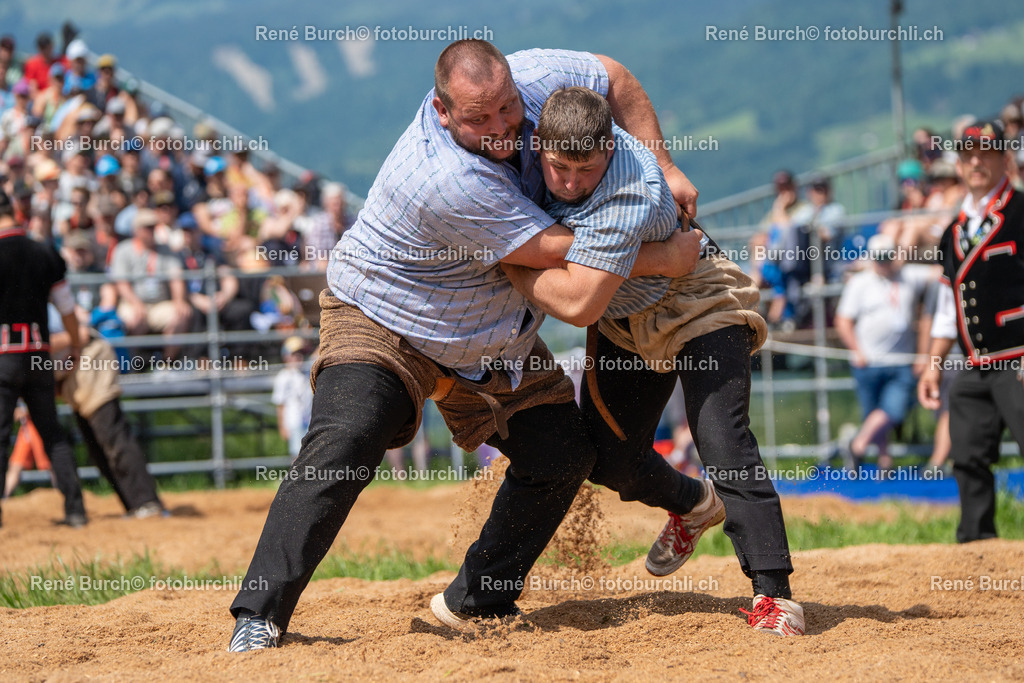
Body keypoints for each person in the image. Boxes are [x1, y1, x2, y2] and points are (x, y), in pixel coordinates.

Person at [227, 40, 701, 651]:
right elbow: (559, 250)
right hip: (385, 316)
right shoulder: (446, 176)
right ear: (442, 111)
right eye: (480, 119)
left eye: (507, 107)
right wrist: (665, 258)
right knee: (349, 435)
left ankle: (481, 598)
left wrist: (663, 167)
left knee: (561, 455)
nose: (504, 127)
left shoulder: (535, 83)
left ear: (512, 82)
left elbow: (613, 74)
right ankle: (260, 614)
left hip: (490, 334)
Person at [503, 86, 803, 636]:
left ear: (611, 153)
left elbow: (576, 301)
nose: (570, 183)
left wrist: (508, 252)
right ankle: (692, 504)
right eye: (558, 167)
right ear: (537, 144)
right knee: (608, 456)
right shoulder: (519, 147)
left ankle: (774, 595)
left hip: (696, 299)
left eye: (585, 169)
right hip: (624, 318)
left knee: (721, 437)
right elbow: (610, 73)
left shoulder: (631, 192)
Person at [917, 120, 1024, 543]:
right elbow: (948, 304)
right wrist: (933, 364)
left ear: (1004, 158)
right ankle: (978, 551)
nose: (975, 161)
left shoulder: (1020, 212)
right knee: (967, 456)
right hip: (974, 364)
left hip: (1018, 358)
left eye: (985, 152)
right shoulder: (953, 231)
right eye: (967, 154)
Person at [0, 189, 87, 527]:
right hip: (39, 356)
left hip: (4, 355)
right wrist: (77, 345)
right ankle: (76, 509)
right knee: (52, 433)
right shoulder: (45, 253)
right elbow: (67, 308)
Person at [49, 307, 167, 518]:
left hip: (90, 364)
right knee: (98, 447)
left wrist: (41, 346)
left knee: (113, 438)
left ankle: (147, 502)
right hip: (75, 375)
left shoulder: (48, 305)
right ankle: (136, 505)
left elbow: (82, 333)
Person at [834, 234, 929, 471]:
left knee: (893, 410)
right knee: (874, 414)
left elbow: (940, 273)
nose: (883, 262)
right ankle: (884, 460)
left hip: (901, 360)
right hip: (868, 361)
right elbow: (843, 320)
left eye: (887, 257)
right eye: (879, 258)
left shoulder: (909, 275)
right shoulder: (860, 282)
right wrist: (857, 350)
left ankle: (857, 445)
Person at [271, 336, 312, 461]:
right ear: (286, 357)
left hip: (309, 419)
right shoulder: (283, 377)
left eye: (300, 354)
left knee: (310, 452)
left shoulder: (307, 372)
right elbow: (280, 404)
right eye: (294, 354)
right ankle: (297, 478)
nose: (298, 358)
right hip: (294, 420)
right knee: (297, 454)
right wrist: (282, 426)